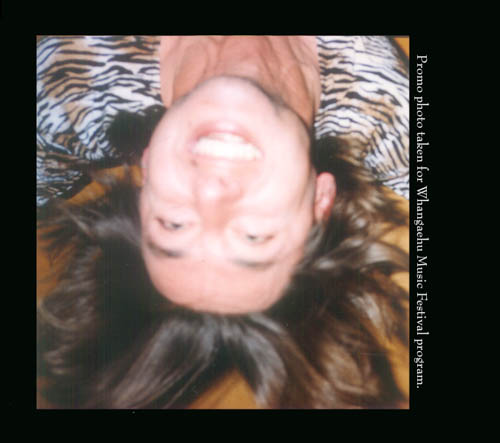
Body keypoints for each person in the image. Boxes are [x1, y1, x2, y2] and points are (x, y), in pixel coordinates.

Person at [37, 36, 409, 409]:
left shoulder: (69, 85)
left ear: (147, 172)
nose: (212, 193)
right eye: (253, 236)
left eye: (174, 225)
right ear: (320, 201)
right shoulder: (388, 114)